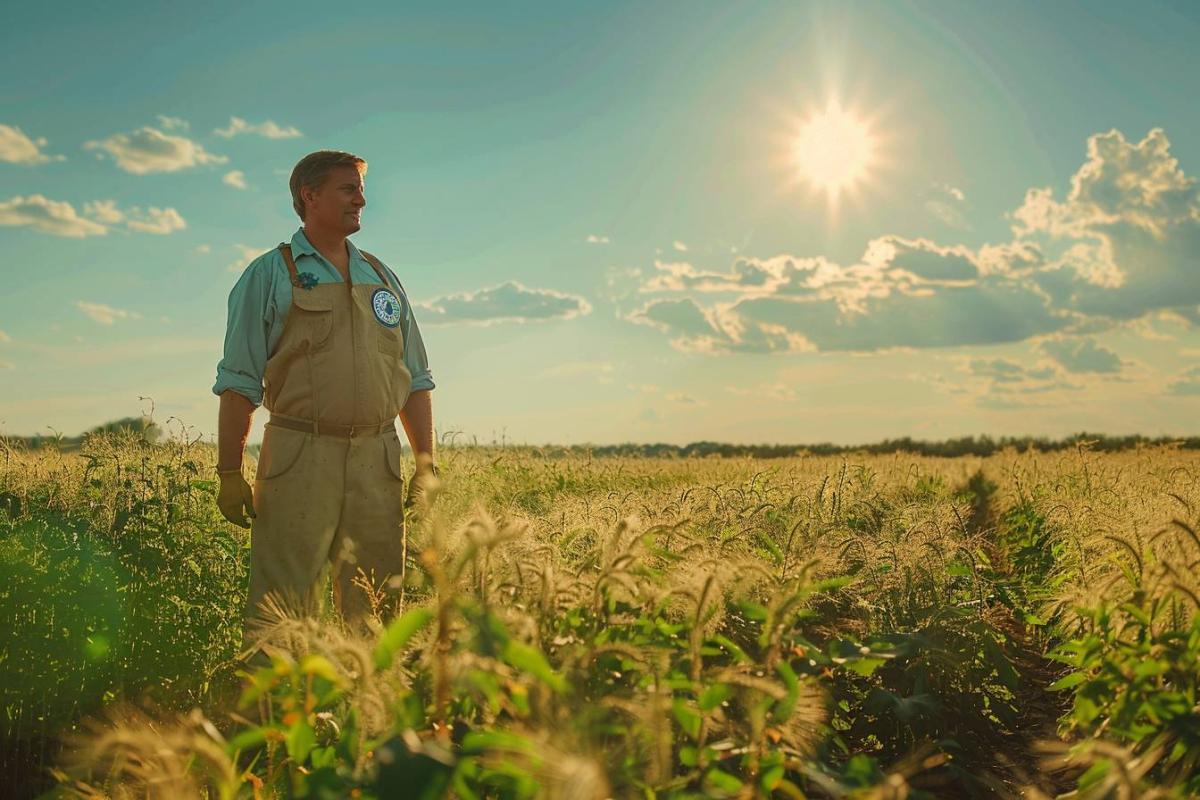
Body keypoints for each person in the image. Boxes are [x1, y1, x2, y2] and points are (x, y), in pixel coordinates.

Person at [212, 150, 436, 642]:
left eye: (359, 189)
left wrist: (425, 462)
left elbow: (414, 378)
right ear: (309, 196)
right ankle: (277, 711)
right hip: (299, 455)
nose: (362, 199)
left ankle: (369, 710)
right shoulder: (268, 274)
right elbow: (238, 383)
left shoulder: (384, 277)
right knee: (283, 607)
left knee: (378, 603)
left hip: (377, 459)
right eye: (348, 189)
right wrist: (229, 472)